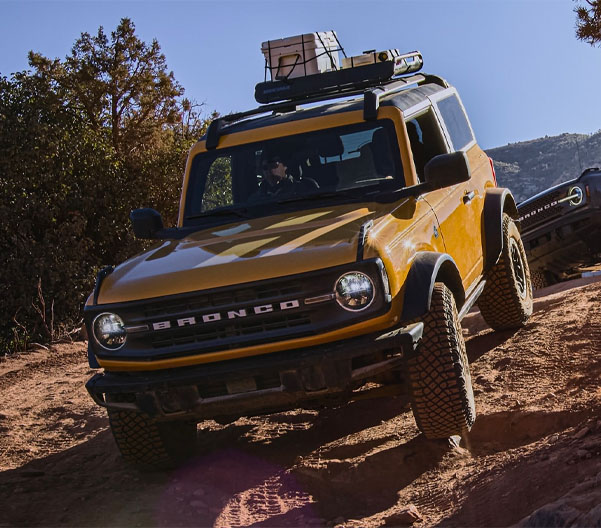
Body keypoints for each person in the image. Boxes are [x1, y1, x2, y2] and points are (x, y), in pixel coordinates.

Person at [249, 147, 318, 201]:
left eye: (273, 166)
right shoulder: (255, 199)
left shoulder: (305, 189)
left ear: (285, 166)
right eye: (265, 167)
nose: (269, 170)